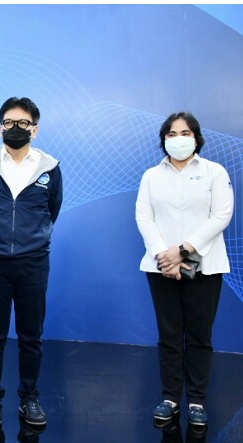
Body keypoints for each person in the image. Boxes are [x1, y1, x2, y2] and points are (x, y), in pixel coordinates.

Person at [0, 97, 63, 427]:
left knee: (31, 335)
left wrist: (28, 238)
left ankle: (29, 398)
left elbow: (51, 210)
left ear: (35, 129)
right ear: (0, 128)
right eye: (9, 122)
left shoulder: (49, 167)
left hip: (33, 262)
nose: (15, 128)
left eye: (23, 123)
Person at [136, 112, 233, 427]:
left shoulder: (214, 172)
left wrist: (182, 251)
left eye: (185, 133)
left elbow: (221, 215)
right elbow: (144, 217)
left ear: (196, 138)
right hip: (161, 265)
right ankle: (170, 399)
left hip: (204, 266)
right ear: (164, 139)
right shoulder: (151, 175)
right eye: (172, 134)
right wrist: (164, 255)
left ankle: (197, 401)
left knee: (199, 336)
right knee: (169, 335)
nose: (179, 139)